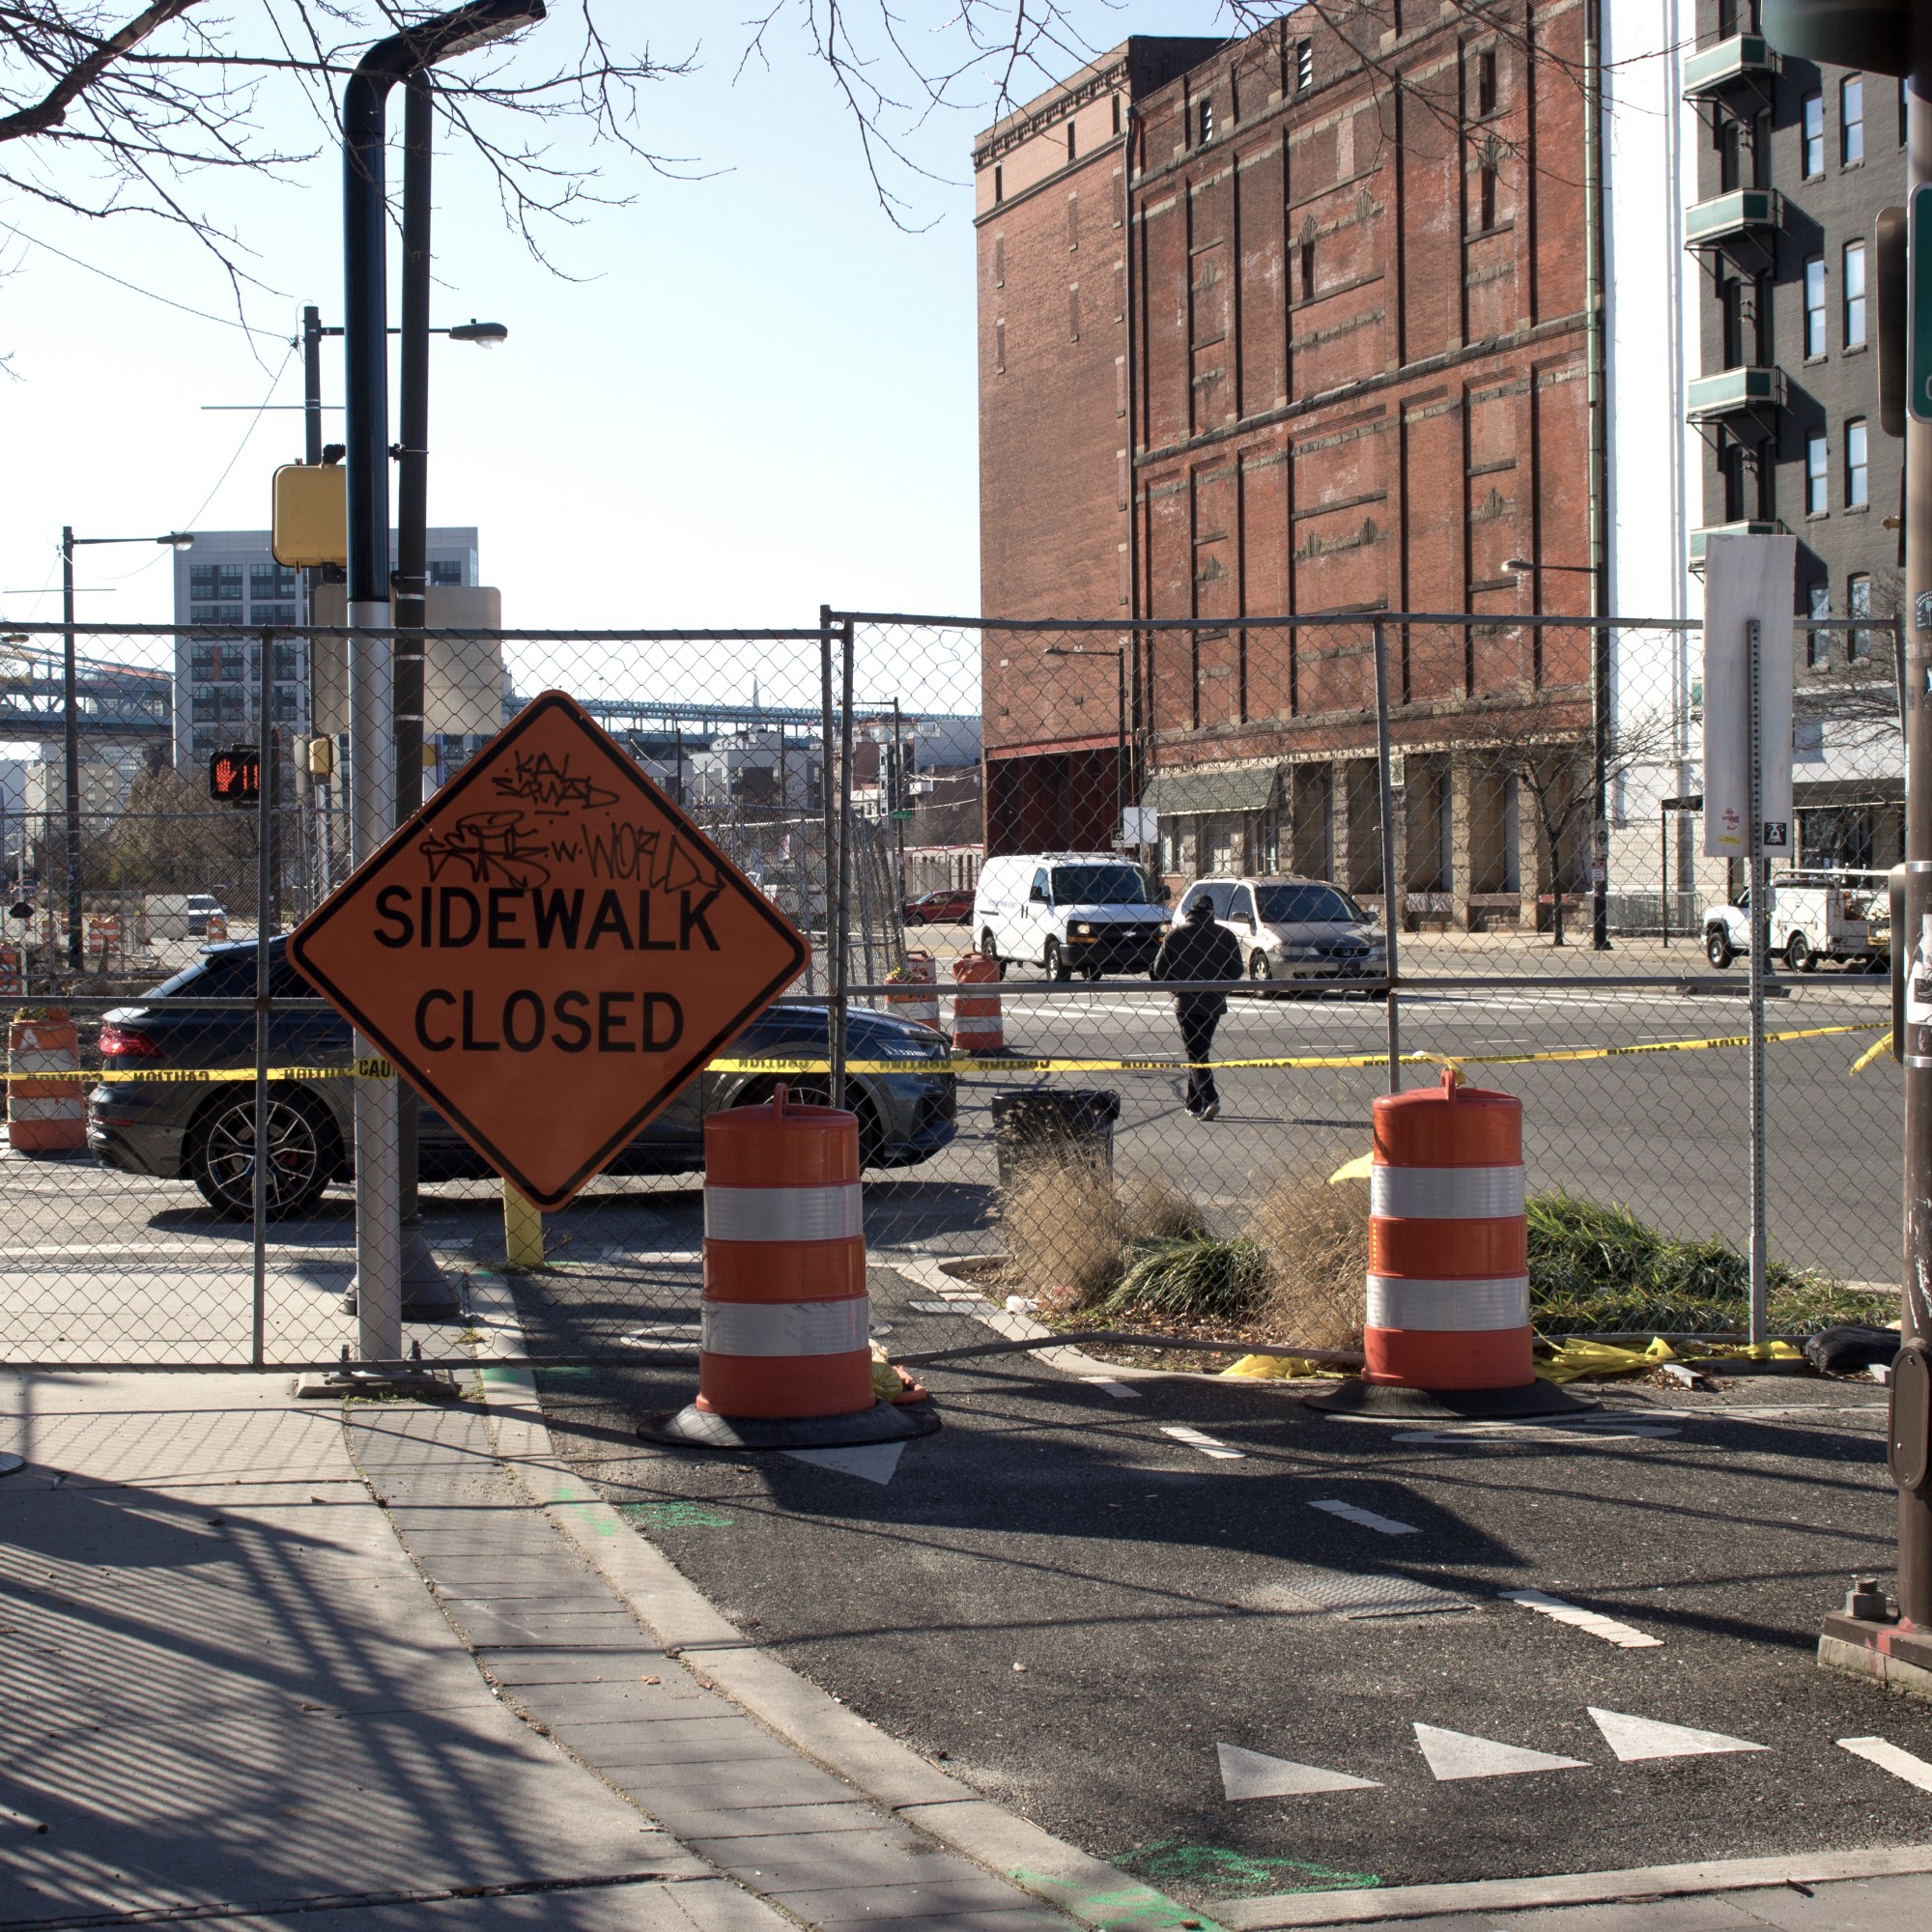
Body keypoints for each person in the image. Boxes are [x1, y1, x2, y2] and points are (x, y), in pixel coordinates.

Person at [1151, 895, 1243, 1120]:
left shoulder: (1176, 935)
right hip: (1213, 1003)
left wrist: (1177, 987)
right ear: (1212, 913)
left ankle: (1211, 1098)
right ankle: (1194, 1104)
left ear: (1190, 911)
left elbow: (1159, 969)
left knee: (1196, 1053)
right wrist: (1220, 989)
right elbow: (1237, 969)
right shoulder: (1225, 935)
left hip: (1186, 1002)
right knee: (1199, 1050)